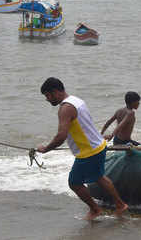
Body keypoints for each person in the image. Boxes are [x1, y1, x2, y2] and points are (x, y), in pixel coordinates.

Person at [36, 77, 128, 220]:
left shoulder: (65, 109)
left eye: (48, 95)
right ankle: (120, 205)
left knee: (74, 183)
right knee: (99, 177)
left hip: (88, 152)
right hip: (98, 146)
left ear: (55, 92)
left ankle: (95, 209)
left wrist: (46, 149)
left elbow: (61, 136)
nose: (47, 99)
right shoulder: (76, 100)